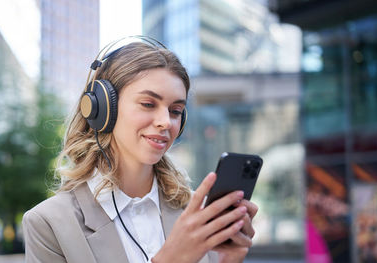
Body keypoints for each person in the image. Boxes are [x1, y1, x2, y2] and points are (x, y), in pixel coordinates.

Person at [22, 37, 258, 263]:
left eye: (175, 111)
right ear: (103, 108)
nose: (166, 122)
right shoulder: (49, 224)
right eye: (148, 104)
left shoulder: (196, 218)